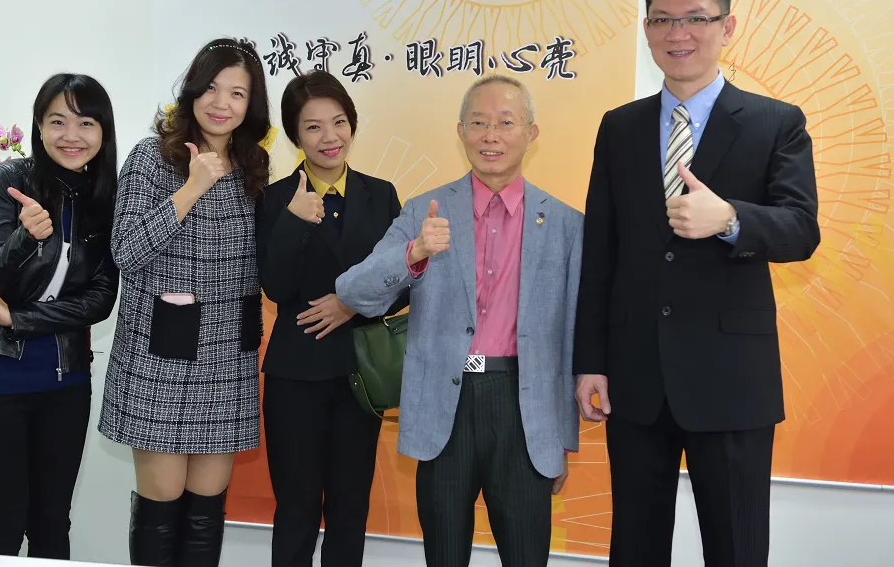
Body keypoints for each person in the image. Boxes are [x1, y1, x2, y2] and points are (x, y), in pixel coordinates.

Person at [573, 0, 820, 567]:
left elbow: (801, 229)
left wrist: (731, 218)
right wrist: (590, 362)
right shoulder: (619, 127)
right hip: (635, 378)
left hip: (730, 379)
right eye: (662, 19)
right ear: (646, 28)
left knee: (736, 548)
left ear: (726, 26)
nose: (677, 33)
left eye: (695, 18)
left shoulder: (775, 122)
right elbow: (601, 251)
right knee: (635, 547)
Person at [336, 74, 583, 567]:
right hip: (444, 409)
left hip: (524, 408)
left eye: (506, 123)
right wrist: (414, 252)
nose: (491, 135)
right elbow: (353, 291)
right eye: (478, 123)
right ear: (460, 131)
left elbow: (574, 338)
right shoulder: (424, 212)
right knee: (444, 554)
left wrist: (560, 439)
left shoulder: (565, 224)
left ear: (531, 133)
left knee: (527, 556)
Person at [98, 38, 271, 567]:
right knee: (162, 505)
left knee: (206, 511)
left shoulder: (253, 163)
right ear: (193, 91)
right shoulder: (152, 157)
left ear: (251, 105)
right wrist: (191, 188)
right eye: (212, 88)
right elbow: (126, 252)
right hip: (161, 359)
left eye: (237, 93)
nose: (222, 103)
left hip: (227, 358)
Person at [0, 74, 120, 558]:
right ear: (39, 127)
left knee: (51, 526)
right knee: (2, 527)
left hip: (64, 381)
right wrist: (25, 237)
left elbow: (100, 299)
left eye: (86, 123)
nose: (72, 135)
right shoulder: (9, 180)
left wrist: (19, 320)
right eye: (58, 122)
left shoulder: (107, 198)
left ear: (103, 131)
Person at [256, 70, 406, 567]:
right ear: (295, 135)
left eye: (338, 122)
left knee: (350, 508)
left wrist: (351, 302)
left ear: (352, 125)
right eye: (313, 126)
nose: (329, 137)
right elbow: (276, 287)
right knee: (296, 509)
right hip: (295, 376)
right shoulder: (274, 199)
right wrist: (294, 221)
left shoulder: (380, 194)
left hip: (361, 376)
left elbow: (404, 282)